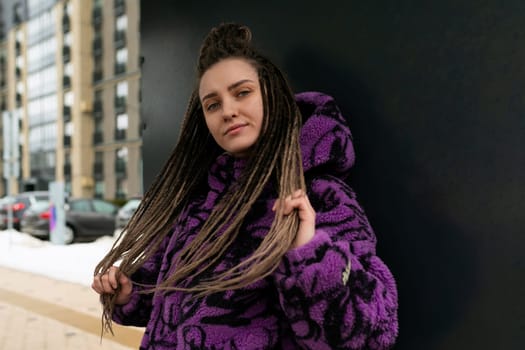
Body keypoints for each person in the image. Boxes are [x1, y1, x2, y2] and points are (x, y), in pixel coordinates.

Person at [92, 23, 398, 349]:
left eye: (242, 92)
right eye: (212, 104)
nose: (228, 111)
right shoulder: (199, 203)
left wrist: (309, 252)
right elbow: (170, 306)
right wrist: (129, 294)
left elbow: (370, 334)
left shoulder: (320, 198)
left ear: (273, 95)